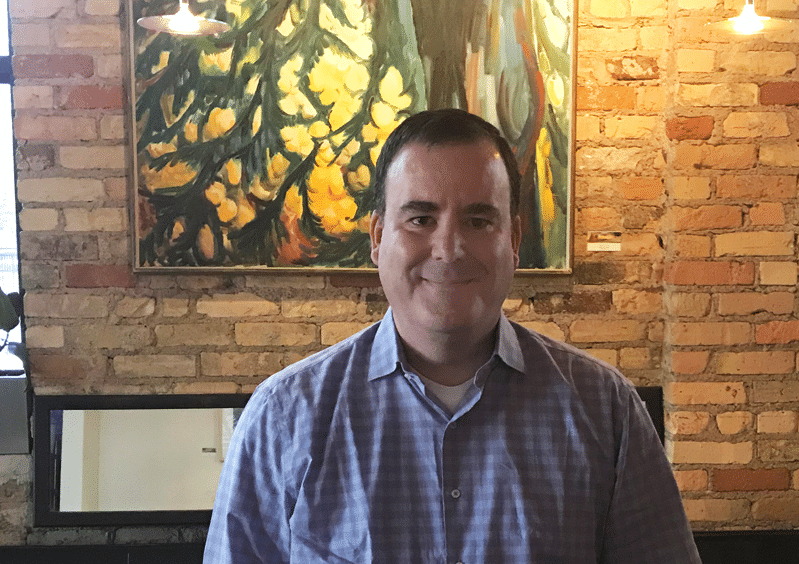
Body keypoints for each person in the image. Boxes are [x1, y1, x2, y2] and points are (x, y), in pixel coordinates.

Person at [204, 109, 701, 563]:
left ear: (515, 240)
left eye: (479, 220)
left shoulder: (604, 408)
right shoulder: (284, 416)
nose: (449, 248)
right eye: (420, 219)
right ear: (377, 238)